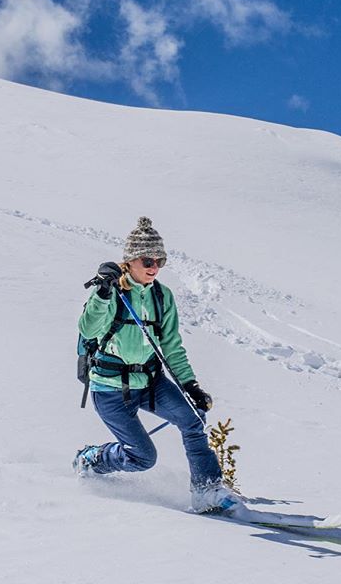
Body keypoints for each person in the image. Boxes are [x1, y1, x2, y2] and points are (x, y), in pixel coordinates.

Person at [74, 216, 241, 513]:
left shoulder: (162, 296)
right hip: (110, 388)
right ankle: (93, 458)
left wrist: (191, 385)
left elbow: (172, 347)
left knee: (193, 421)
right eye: (147, 259)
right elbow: (88, 328)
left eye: (160, 260)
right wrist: (102, 293)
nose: (154, 266)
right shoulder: (111, 292)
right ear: (129, 261)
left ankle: (207, 490)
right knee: (142, 458)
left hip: (151, 383)